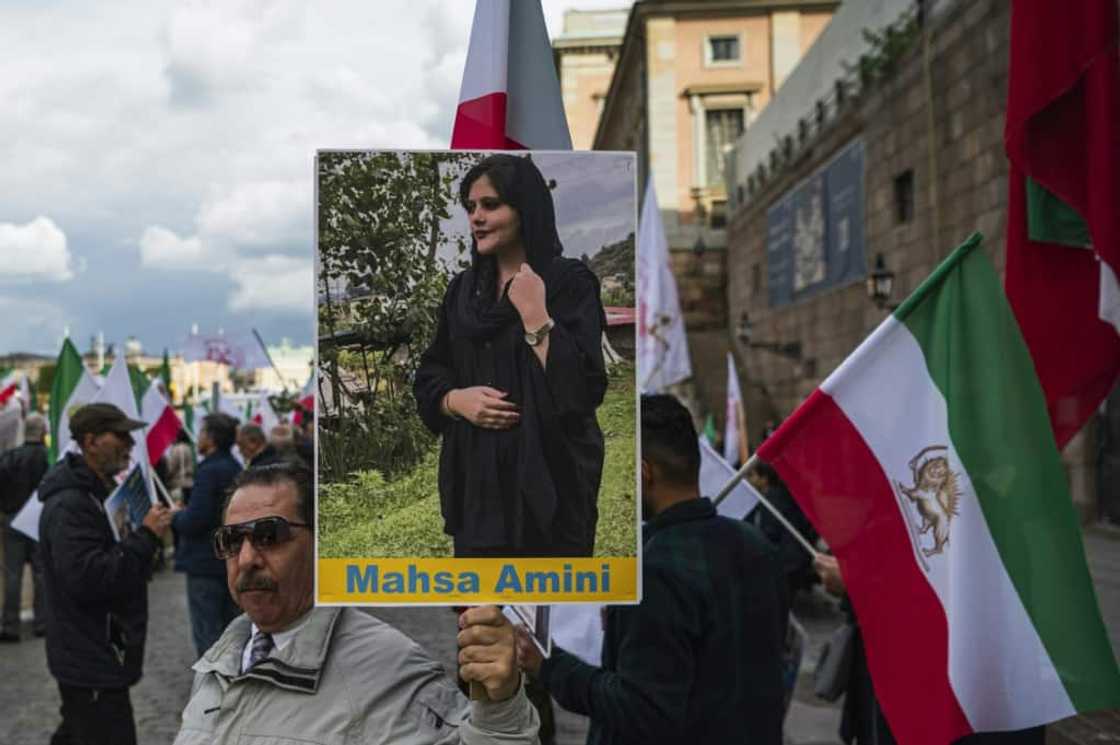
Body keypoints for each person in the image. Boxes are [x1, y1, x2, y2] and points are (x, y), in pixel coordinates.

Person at [173, 462, 540, 744]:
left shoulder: (389, 666)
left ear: (320, 543)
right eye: (232, 540)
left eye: (269, 535)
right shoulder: (220, 659)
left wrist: (500, 708)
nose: (248, 558)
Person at [516, 394, 788, 745]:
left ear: (642, 473)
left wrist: (547, 663)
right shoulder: (759, 547)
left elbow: (642, 710)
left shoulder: (653, 570)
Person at [414, 153, 608, 557]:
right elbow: (432, 371)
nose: (476, 218)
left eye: (490, 205)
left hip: (553, 484)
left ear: (525, 209)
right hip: (479, 490)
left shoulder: (567, 283)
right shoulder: (463, 293)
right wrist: (455, 401)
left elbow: (584, 390)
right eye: (470, 207)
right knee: (483, 614)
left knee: (552, 616)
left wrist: (535, 313)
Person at [37, 403, 173, 745]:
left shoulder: (96, 492)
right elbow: (89, 577)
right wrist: (146, 536)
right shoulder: (71, 503)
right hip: (89, 653)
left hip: (98, 649)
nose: (129, 443)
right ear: (91, 441)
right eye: (120, 435)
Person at [172, 412, 242, 656]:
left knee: (208, 634)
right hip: (227, 559)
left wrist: (176, 516)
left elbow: (195, 520)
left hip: (204, 561)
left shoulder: (209, 470)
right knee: (231, 630)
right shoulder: (234, 466)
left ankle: (212, 687)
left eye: (201, 433)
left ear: (210, 438)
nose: (197, 438)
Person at [0, 412, 49, 640]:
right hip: (38, 520)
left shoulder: (9, 456)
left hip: (12, 519)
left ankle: (10, 626)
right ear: (42, 432)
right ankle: (43, 623)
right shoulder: (47, 457)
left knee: (12, 574)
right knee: (41, 572)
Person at [746, 460, 818, 597]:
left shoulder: (769, 501)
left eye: (752, 475)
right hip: (796, 561)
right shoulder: (784, 494)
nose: (748, 480)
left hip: (784, 565)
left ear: (764, 479)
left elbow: (769, 534)